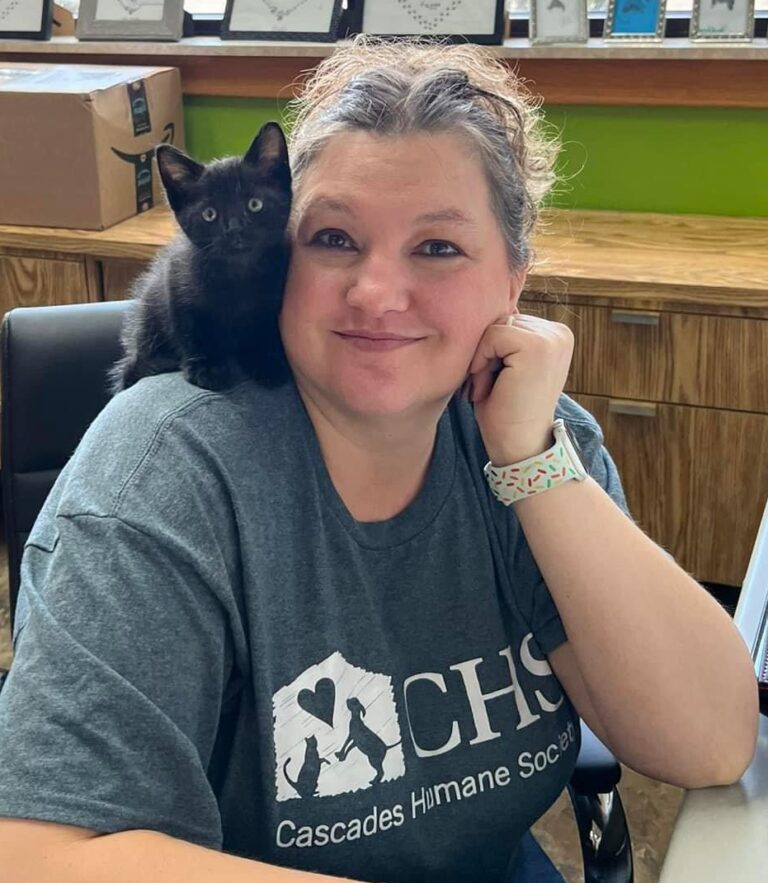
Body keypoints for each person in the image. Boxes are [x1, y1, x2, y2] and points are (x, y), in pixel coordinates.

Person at [0, 35, 759, 883]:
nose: (376, 292)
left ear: (513, 281)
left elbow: (711, 742)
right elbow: (40, 856)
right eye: (334, 238)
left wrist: (533, 463)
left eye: (437, 247)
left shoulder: (535, 438)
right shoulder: (161, 477)